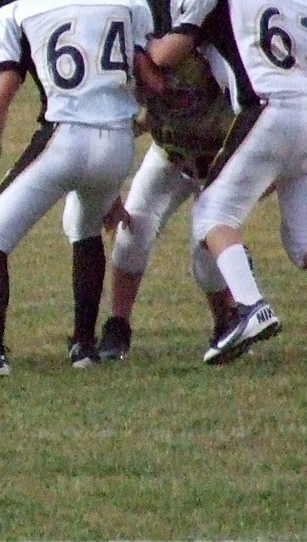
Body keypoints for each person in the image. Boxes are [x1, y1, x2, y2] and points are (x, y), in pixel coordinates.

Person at [0, 0, 156, 378]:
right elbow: (150, 81)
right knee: (84, 227)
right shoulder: (124, 2)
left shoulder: (16, 14)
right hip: (118, 143)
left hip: (64, 136)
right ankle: (84, 346)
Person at [147, 0, 307, 365]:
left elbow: (170, 54)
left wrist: (142, 48)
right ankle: (245, 306)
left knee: (212, 213)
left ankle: (249, 306)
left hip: (269, 109)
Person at [98, 50, 238, 360]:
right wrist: (111, 191)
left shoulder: (223, 70)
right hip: (170, 156)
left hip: (218, 165)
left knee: (207, 255)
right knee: (133, 232)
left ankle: (226, 321)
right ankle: (118, 324)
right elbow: (116, 132)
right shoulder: (142, 66)